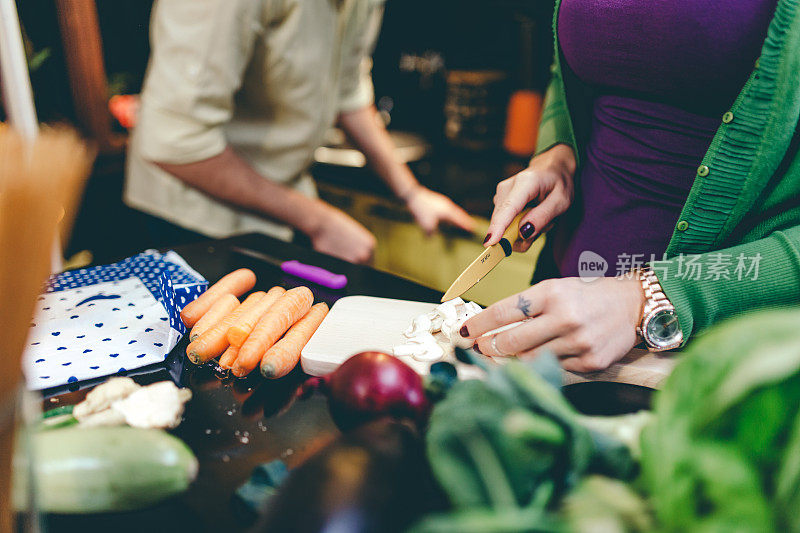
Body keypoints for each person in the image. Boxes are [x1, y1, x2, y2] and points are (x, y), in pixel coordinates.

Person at [461, 0, 800, 372]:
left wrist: (646, 298)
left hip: (731, 363)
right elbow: (568, 73)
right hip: (562, 312)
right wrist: (557, 153)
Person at [125, 0, 474, 264]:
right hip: (188, 217)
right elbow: (176, 140)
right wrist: (319, 221)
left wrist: (411, 193)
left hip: (277, 208)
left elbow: (347, 92)